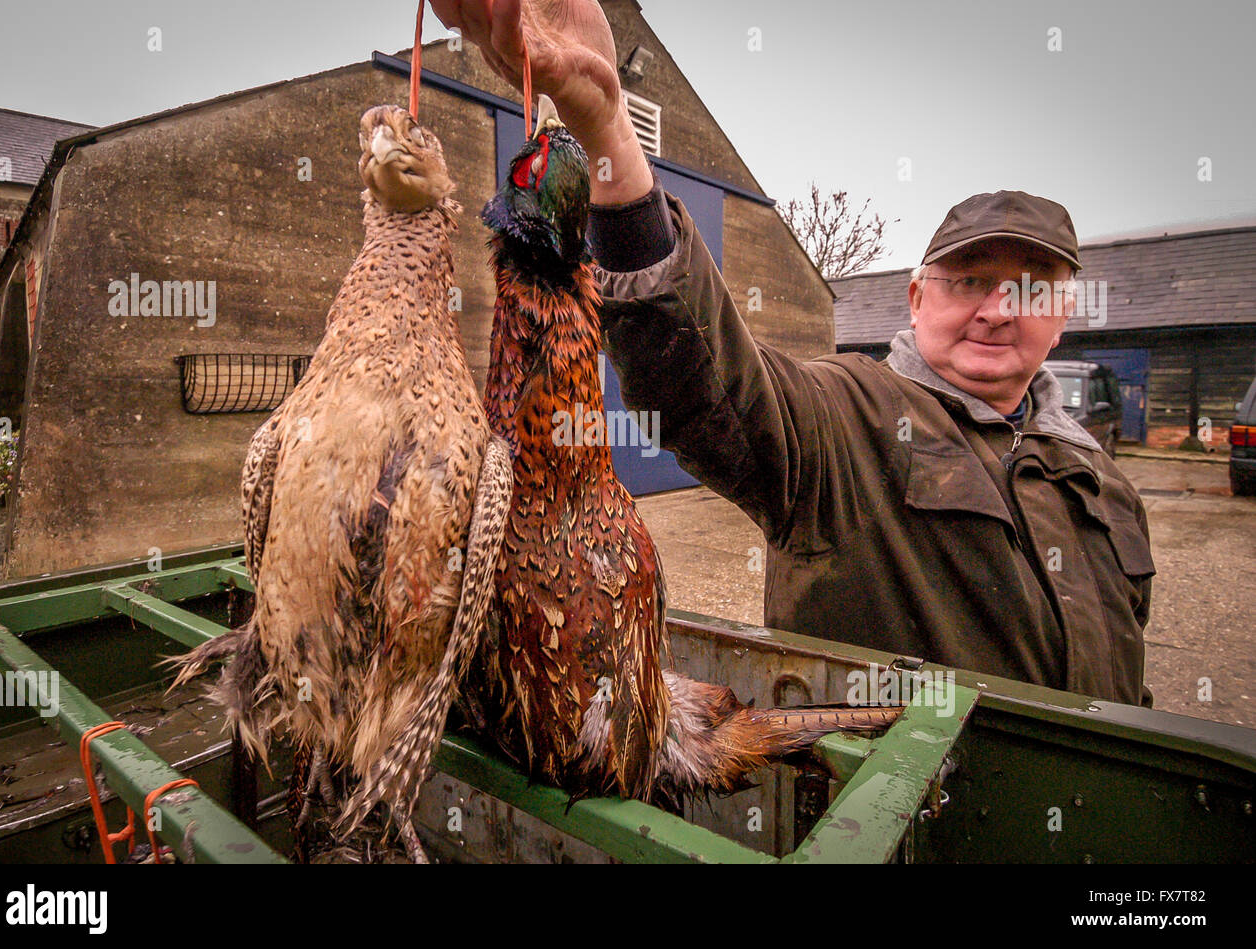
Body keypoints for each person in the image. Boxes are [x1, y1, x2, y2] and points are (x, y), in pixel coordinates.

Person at [431, 0, 1155, 705]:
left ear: (1062, 316)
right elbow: (700, 376)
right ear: (915, 298)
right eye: (969, 281)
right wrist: (604, 123)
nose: (998, 312)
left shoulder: (1101, 483)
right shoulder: (847, 418)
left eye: (1029, 290)